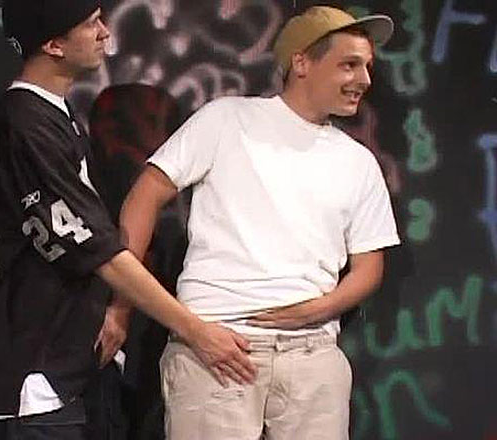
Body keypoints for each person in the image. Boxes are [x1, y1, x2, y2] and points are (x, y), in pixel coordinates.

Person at [0, 2, 255, 439]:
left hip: (68, 369)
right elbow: (97, 251)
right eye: (91, 24)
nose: (105, 32)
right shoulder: (26, 123)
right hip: (35, 379)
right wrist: (196, 331)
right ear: (54, 44)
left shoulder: (54, 115)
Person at [119, 5, 401, 440]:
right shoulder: (227, 119)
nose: (364, 79)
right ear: (301, 62)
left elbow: (370, 266)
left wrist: (317, 310)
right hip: (217, 348)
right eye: (349, 64)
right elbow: (146, 195)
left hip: (312, 357)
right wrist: (124, 305)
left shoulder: (358, 162)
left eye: (367, 66)